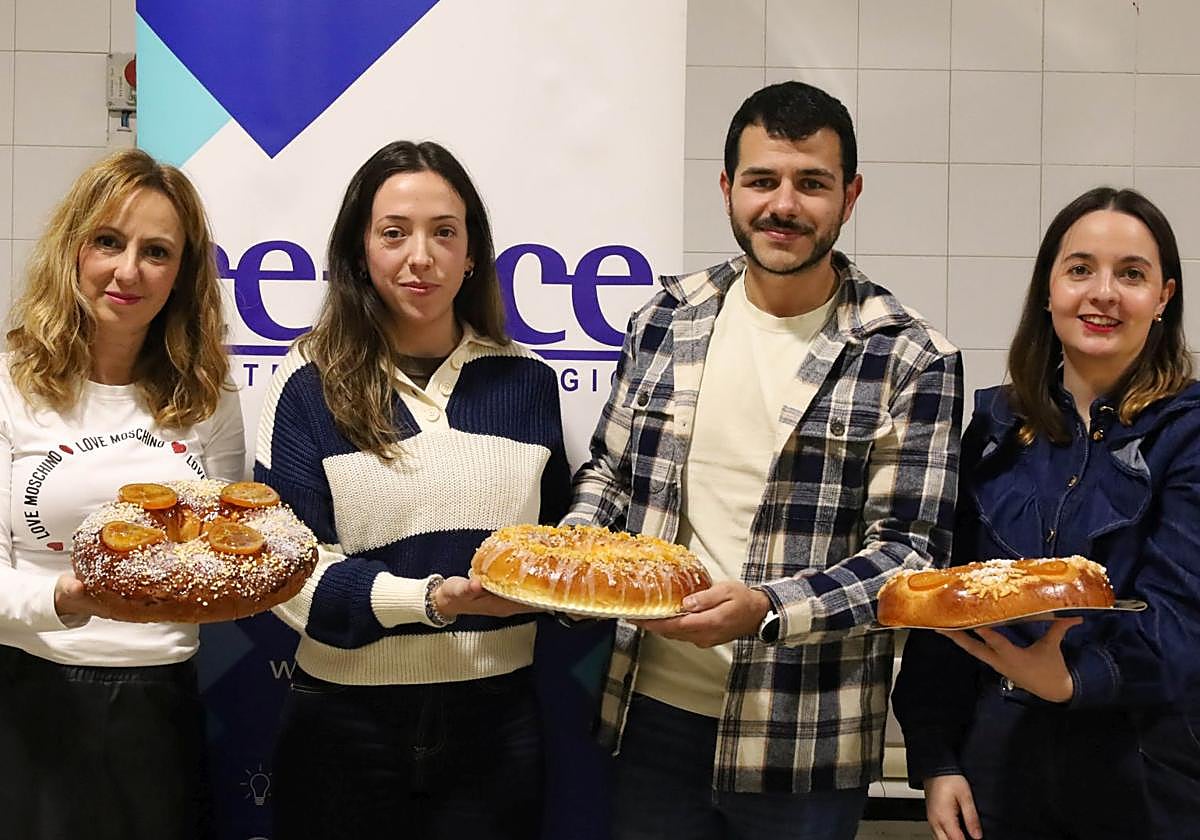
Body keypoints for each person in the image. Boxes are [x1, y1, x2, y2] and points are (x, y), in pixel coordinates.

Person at [563, 80, 963, 839]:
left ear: (850, 196)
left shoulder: (910, 356)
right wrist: (579, 548)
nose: (783, 204)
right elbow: (609, 475)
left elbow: (909, 557)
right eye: (761, 181)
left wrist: (768, 611)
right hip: (649, 718)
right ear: (727, 190)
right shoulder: (663, 318)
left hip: (805, 739)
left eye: (811, 183)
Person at [256, 140, 576, 840]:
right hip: (343, 726)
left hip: (498, 721)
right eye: (394, 233)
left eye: (444, 232)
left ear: (472, 253)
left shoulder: (527, 383)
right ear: (360, 250)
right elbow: (287, 570)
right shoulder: (306, 384)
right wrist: (427, 601)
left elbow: (558, 553)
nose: (420, 256)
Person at [892, 188, 1200, 840]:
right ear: (1049, 288)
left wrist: (1073, 679)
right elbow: (950, 603)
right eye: (1081, 268)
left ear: (1164, 297)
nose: (1104, 293)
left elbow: (1182, 617)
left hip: (1148, 768)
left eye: (1132, 274)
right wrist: (937, 758)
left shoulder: (1189, 433)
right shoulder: (994, 427)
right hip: (1002, 765)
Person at [0, 148, 245, 839]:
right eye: (109, 241)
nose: (127, 270)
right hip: (28, 699)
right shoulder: (10, 385)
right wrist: (68, 599)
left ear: (182, 275)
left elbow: (224, 553)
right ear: (74, 249)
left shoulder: (208, 399)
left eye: (157, 251)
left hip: (158, 710)